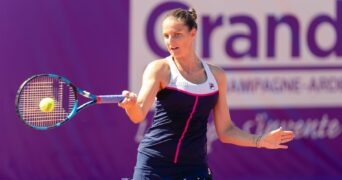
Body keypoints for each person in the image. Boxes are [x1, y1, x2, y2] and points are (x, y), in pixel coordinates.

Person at [118, 7, 295, 179]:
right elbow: (138, 114)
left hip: (194, 168)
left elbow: (226, 131)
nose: (170, 42)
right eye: (166, 36)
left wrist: (260, 140)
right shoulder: (159, 69)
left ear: (193, 32)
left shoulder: (216, 76)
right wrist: (131, 106)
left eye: (177, 34)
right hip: (154, 163)